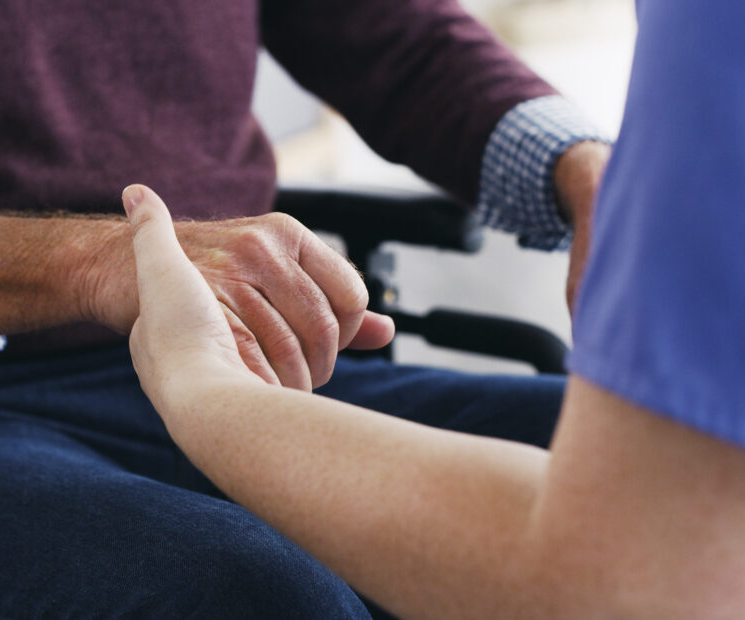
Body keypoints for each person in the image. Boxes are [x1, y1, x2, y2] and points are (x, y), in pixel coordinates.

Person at [0, 0, 610, 617]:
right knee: (252, 595)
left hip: (255, 365)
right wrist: (101, 259)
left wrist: (595, 175)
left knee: (658, 479)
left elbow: (403, 49)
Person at [124, 0, 745, 617]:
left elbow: (622, 572)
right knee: (273, 595)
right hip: (41, 374)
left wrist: (198, 386)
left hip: (218, 355)